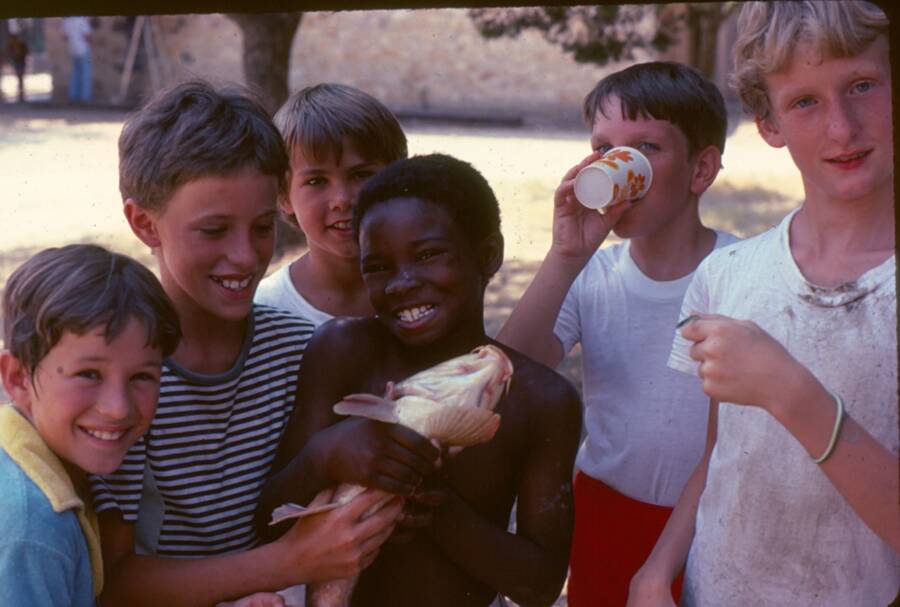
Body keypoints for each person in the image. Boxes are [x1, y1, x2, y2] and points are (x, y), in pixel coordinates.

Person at [89, 81, 405, 606]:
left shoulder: (301, 348)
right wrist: (283, 565)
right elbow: (111, 581)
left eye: (261, 228)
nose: (244, 257)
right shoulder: (117, 378)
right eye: (214, 231)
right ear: (144, 223)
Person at [627, 2, 898, 606]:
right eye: (805, 101)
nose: (843, 128)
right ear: (768, 123)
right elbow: (723, 454)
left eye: (862, 85)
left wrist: (790, 392)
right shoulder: (726, 276)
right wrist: (655, 569)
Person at [257, 153, 582, 607]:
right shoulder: (343, 352)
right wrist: (325, 456)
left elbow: (541, 584)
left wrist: (440, 511)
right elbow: (265, 521)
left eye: (428, 255)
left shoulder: (539, 399)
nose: (401, 283)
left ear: (488, 256)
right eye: (378, 266)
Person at [495, 61, 737, 606]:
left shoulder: (739, 273)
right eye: (603, 148)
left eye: (646, 147)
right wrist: (565, 255)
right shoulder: (592, 277)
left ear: (701, 171)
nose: (619, 165)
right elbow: (507, 375)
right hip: (604, 510)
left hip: (711, 517)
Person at [0, 243, 181, 606]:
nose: (117, 408)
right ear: (18, 378)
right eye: (89, 374)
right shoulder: (34, 529)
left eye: (142, 377)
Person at [254, 83, 408, 326]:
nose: (342, 200)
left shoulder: (420, 290)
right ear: (283, 195)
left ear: (397, 177)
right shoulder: (264, 309)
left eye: (361, 175)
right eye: (317, 181)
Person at [62, 17, 92, 104]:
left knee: (75, 73)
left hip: (73, 49)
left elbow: (64, 36)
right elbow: (88, 35)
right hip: (83, 49)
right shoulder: (81, 20)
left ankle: (73, 96)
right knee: (85, 74)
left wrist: (73, 39)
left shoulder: (67, 21)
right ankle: (85, 98)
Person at [7, 20, 28, 103]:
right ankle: (20, 93)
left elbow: (25, 52)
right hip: (18, 62)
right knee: (20, 78)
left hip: (20, 62)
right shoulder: (14, 45)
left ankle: (21, 93)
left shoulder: (20, 44)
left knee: (20, 78)